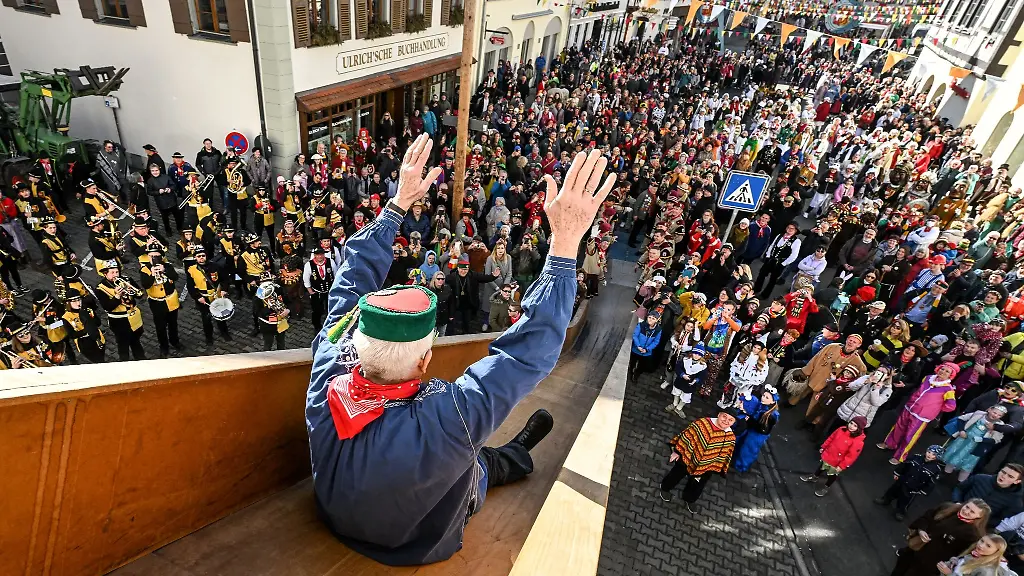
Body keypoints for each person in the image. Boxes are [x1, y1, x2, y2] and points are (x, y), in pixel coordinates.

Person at [304, 138, 614, 565]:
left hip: (333, 513)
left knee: (463, 447)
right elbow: (530, 351)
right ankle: (514, 456)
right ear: (424, 361)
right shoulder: (449, 417)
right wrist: (564, 245)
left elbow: (350, 278)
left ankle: (505, 453)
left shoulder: (328, 365)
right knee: (473, 467)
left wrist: (397, 205)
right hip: (410, 543)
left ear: (356, 341)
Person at [658, 408, 738, 512]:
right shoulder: (702, 423)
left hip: (707, 466)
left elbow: (726, 454)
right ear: (719, 414)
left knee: (698, 483)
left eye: (730, 420)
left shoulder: (730, 437)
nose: (726, 421)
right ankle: (665, 487)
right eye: (724, 416)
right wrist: (677, 451)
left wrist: (717, 466)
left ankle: (689, 499)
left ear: (734, 422)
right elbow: (687, 436)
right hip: (688, 457)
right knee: (676, 474)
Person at [890, 499, 990, 576]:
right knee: (898, 571)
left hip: (929, 566)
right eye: (967, 507)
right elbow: (927, 517)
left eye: (972, 512)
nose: (966, 511)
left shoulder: (973, 535)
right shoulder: (947, 508)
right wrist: (921, 529)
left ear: (979, 517)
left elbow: (962, 555)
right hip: (914, 550)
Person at [800, 416, 867, 497]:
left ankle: (826, 486)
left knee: (832, 475)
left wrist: (842, 466)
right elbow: (831, 438)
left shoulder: (858, 442)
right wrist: (824, 447)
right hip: (828, 455)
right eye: (851, 423)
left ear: (859, 429)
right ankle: (815, 477)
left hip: (836, 462)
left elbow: (851, 456)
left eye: (855, 426)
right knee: (821, 467)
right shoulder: (841, 429)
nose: (851, 426)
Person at [875, 445, 946, 521]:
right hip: (902, 480)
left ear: (937, 456)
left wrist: (924, 491)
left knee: (905, 500)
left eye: (933, 454)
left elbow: (932, 482)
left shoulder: (935, 469)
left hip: (913, 487)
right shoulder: (915, 457)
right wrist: (897, 473)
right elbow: (904, 465)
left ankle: (900, 512)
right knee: (892, 491)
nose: (929, 455)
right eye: (929, 452)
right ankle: (885, 500)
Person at [94, 259, 146, 362]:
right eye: (112, 272)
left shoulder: (127, 279)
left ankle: (141, 360)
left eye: (117, 272)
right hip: (119, 321)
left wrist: (132, 291)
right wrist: (117, 295)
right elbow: (107, 307)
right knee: (123, 346)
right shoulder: (100, 288)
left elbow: (139, 295)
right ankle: (124, 364)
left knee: (136, 342)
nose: (115, 275)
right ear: (105, 274)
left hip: (133, 317)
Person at [943, 405, 1010, 481]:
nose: (995, 415)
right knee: (954, 456)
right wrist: (962, 430)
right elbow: (961, 419)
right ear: (989, 410)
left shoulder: (1000, 425)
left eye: (999, 415)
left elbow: (996, 440)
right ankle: (946, 473)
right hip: (963, 441)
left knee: (968, 465)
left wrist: (982, 439)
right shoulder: (979, 414)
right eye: (994, 412)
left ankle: (961, 482)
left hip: (977, 447)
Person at [140, 246, 181, 358]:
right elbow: (145, 285)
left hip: (171, 299)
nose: (154, 258)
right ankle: (164, 346)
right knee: (160, 326)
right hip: (157, 302)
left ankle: (175, 341)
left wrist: (164, 271)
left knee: (173, 324)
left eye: (156, 256)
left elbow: (175, 277)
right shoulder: (145, 270)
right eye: (151, 256)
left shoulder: (167, 266)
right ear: (148, 257)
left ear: (161, 257)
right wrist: (152, 274)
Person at [186, 245, 232, 345]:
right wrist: (198, 297)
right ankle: (209, 337)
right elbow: (190, 286)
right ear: (195, 258)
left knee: (220, 316)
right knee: (206, 319)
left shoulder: (215, 266)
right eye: (198, 256)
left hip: (216, 296)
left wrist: (224, 289)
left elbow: (225, 279)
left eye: (203, 255)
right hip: (203, 298)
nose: (201, 257)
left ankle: (224, 332)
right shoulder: (191, 270)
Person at [952, 465, 1024, 528]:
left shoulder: (1015, 501)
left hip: (976, 526)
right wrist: (957, 502)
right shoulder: (980, 478)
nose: (1004, 476)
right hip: (958, 510)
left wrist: (981, 521)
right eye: (1003, 472)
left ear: (1017, 481)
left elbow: (1001, 520)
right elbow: (959, 489)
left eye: (1010, 476)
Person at [732, 384, 780, 472]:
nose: (763, 398)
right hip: (752, 430)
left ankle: (741, 466)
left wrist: (749, 419)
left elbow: (763, 429)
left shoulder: (771, 415)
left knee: (748, 450)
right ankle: (736, 460)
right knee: (742, 444)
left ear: (772, 402)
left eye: (767, 397)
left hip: (757, 435)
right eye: (764, 395)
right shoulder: (762, 405)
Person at [937, 534, 1010, 575]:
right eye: (982, 541)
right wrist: (955, 563)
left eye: (988, 546)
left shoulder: (987, 571)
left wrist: (949, 574)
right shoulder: (975, 554)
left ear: (996, 552)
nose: (981, 545)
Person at [303, 247, 337, 332]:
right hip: (316, 292)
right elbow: (306, 279)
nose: (320, 256)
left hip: (329, 291)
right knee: (316, 310)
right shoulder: (309, 265)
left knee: (330, 308)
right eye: (318, 255)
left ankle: (331, 323)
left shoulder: (330, 262)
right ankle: (317, 326)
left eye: (321, 254)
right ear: (314, 255)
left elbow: (336, 275)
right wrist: (310, 291)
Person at [629, 310, 663, 383]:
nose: (650, 319)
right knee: (632, 362)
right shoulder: (641, 325)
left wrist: (647, 349)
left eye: (653, 318)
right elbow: (635, 335)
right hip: (636, 349)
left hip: (646, 352)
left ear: (657, 320)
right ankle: (631, 372)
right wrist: (638, 346)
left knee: (641, 366)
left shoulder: (658, 330)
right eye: (649, 317)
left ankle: (636, 375)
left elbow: (656, 341)